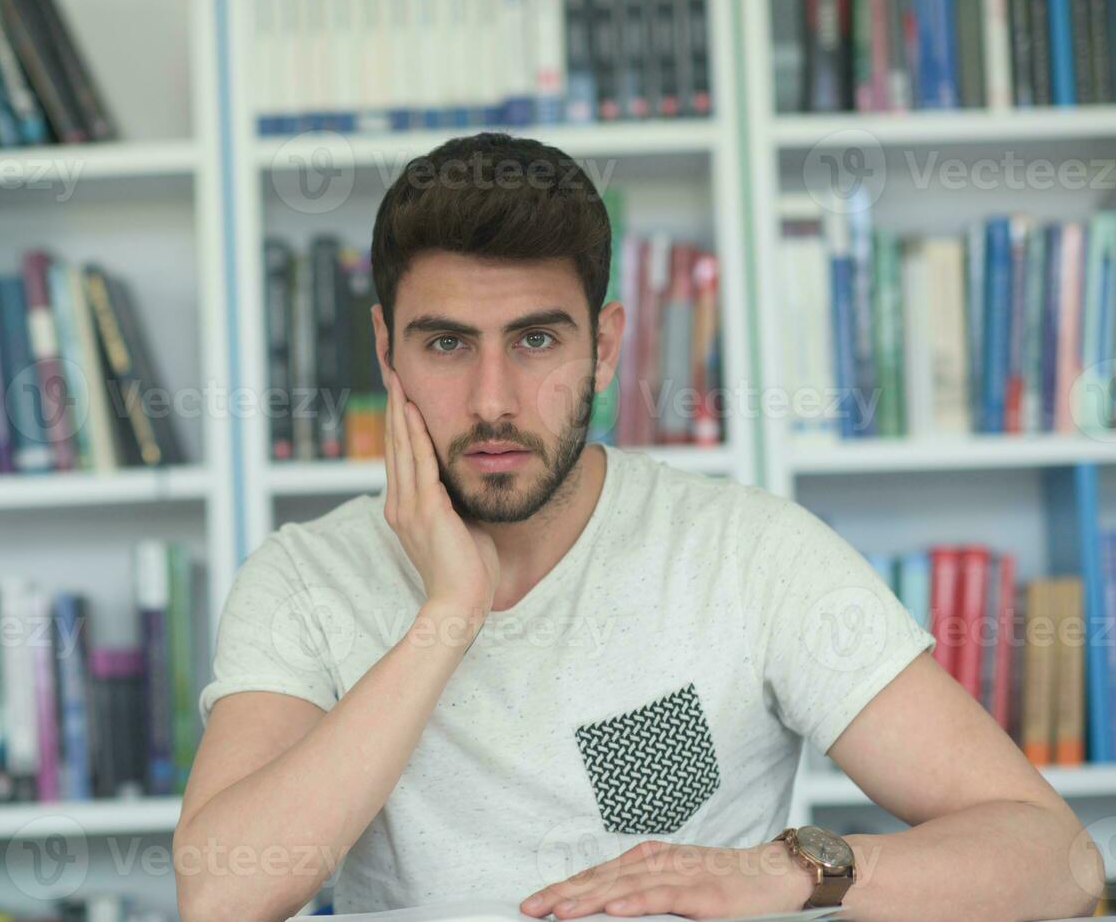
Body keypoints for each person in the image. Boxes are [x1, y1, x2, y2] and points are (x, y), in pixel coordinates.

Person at [173, 132, 1101, 922]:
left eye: (536, 340)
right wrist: (449, 613)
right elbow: (217, 895)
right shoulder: (303, 579)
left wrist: (785, 873)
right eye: (446, 344)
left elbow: (1058, 863)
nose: (492, 400)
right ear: (385, 349)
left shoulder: (748, 553)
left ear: (604, 346)